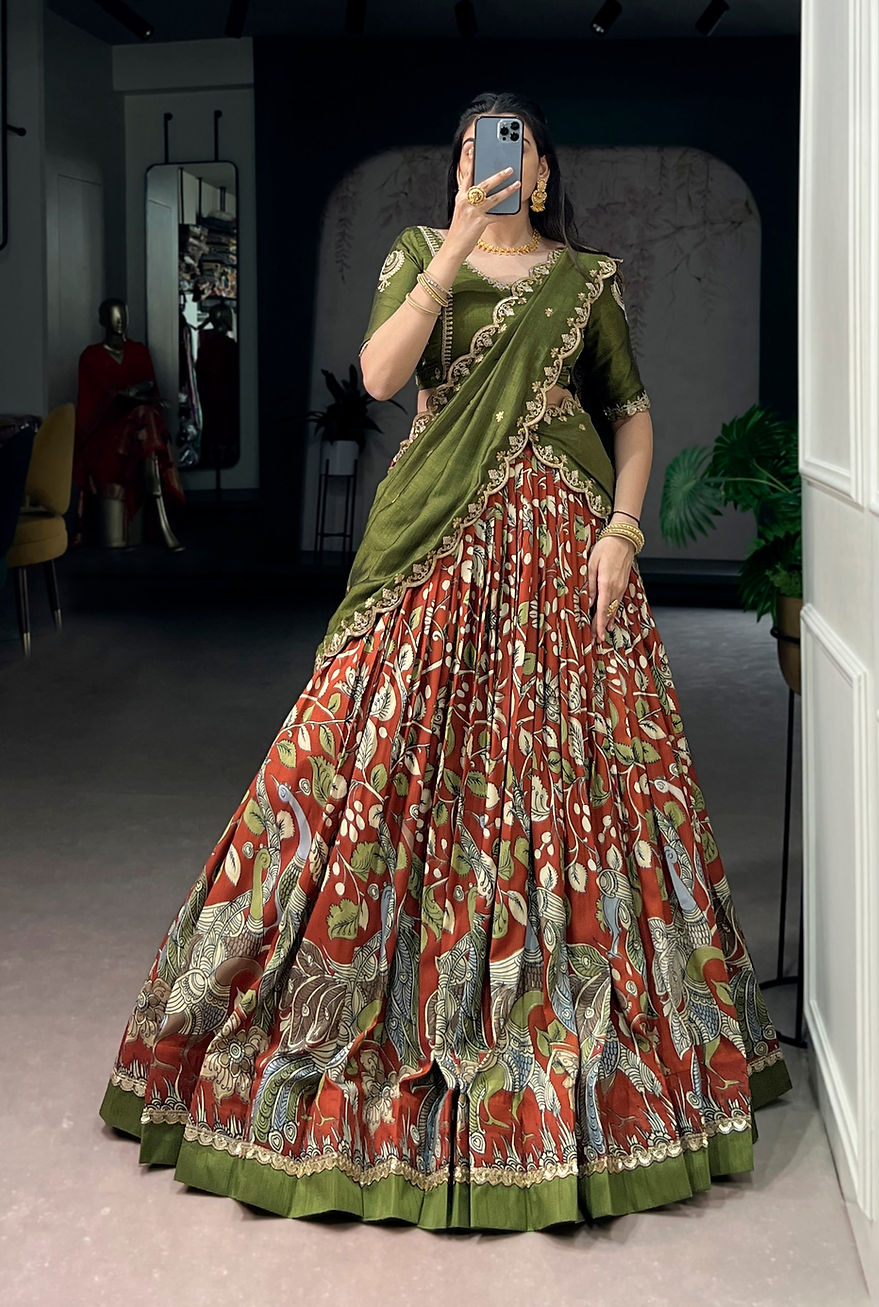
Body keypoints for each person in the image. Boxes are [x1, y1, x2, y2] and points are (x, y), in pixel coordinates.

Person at [99, 91, 792, 1232]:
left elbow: (629, 417)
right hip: (436, 549)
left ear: (544, 169)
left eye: (511, 150)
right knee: (358, 763)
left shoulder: (586, 280)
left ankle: (569, 1010)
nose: (493, 163)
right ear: (455, 171)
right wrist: (457, 248)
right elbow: (380, 379)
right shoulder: (420, 252)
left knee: (575, 786)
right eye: (474, 151)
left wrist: (622, 532)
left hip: (564, 561)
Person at [73, 298, 185, 550]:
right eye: (114, 315)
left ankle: (152, 485)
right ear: (103, 319)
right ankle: (159, 509)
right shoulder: (91, 356)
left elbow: (150, 386)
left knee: (146, 415)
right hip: (107, 435)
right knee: (144, 417)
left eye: (123, 314)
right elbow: (90, 408)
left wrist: (136, 392)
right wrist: (121, 395)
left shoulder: (138, 352)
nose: (120, 320)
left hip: (140, 435)